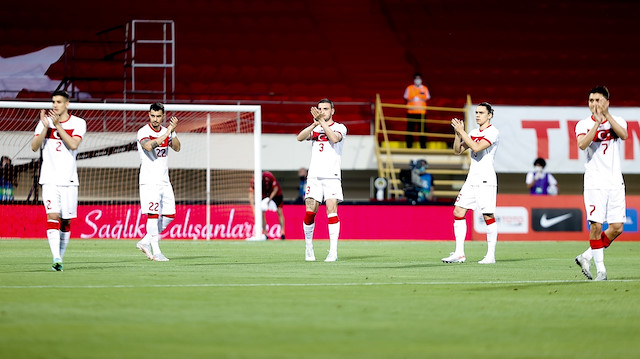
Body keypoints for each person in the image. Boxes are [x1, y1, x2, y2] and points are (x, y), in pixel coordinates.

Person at [574, 86, 627, 281]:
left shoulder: (618, 121)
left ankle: (586, 256)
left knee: (617, 228)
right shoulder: (583, 124)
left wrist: (606, 117)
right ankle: (601, 271)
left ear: (606, 102)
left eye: (598, 100)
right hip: (594, 182)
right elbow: (582, 145)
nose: (594, 104)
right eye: (591, 101)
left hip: (615, 182)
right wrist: (596, 124)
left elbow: (624, 135)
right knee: (596, 226)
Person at [30, 90, 86, 271]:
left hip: (69, 179)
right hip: (49, 179)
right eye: (53, 101)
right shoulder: (43, 123)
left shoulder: (78, 123)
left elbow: (73, 144)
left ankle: (60, 257)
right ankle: (56, 258)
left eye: (59, 102)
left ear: (67, 104)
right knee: (53, 215)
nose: (55, 105)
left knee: (66, 221)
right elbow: (33, 147)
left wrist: (57, 126)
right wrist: (46, 126)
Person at [442, 102, 499, 264]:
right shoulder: (473, 132)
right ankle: (459, 253)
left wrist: (462, 131)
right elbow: (457, 150)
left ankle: (490, 255)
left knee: (488, 215)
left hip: (486, 178)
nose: (477, 115)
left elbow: (477, 148)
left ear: (490, 115)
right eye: (476, 112)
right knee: (458, 212)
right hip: (472, 178)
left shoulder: (493, 132)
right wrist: (457, 134)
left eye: (481, 112)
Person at [296, 98, 347, 262]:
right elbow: (299, 137)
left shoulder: (340, 127)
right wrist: (313, 124)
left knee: (331, 210)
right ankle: (308, 247)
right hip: (314, 176)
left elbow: (334, 138)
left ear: (333, 111)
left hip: (332, 176)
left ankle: (333, 252)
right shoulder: (316, 127)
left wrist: (321, 123)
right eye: (320, 109)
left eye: (326, 109)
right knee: (310, 213)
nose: (322, 111)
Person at [135, 102, 181, 262]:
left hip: (164, 180)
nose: (155, 119)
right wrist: (168, 131)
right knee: (153, 215)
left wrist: (172, 133)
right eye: (152, 116)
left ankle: (145, 242)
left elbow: (177, 148)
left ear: (163, 116)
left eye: (158, 116)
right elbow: (148, 146)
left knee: (170, 214)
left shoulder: (166, 131)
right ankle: (156, 252)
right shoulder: (143, 132)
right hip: (149, 181)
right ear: (149, 115)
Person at [249, 171, 286, 240]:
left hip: (276, 195)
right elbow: (250, 195)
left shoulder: (269, 176)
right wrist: (253, 207)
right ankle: (265, 234)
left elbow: (276, 189)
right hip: (264, 195)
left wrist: (269, 199)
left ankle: (282, 232)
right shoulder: (253, 181)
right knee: (261, 213)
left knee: (279, 211)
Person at [404, 73, 431, 149]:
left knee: (422, 130)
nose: (417, 80)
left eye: (419, 79)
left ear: (421, 80)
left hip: (421, 113)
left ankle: (423, 146)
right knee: (410, 130)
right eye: (416, 78)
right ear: (414, 80)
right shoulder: (409, 88)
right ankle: (409, 146)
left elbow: (427, 97)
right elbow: (406, 97)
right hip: (411, 113)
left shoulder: (425, 89)